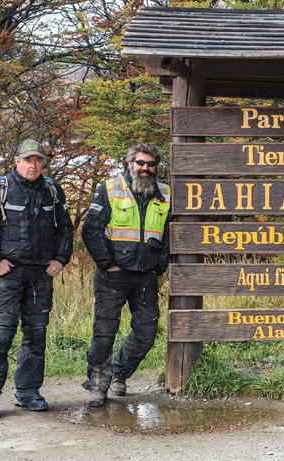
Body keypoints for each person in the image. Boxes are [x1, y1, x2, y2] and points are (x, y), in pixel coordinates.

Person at [0, 139, 73, 418]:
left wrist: (60, 259)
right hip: (9, 275)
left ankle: (27, 392)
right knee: (1, 334)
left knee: (36, 336)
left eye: (38, 160)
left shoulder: (52, 190)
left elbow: (65, 230)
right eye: (27, 160)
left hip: (40, 275)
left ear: (43, 163)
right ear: (16, 162)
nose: (33, 165)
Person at [81, 142, 171, 407]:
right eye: (140, 163)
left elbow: (170, 234)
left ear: (156, 167)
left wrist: (159, 266)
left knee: (147, 332)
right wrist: (107, 264)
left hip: (146, 276)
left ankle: (119, 374)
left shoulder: (165, 193)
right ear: (129, 163)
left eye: (150, 164)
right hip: (113, 275)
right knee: (104, 333)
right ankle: (98, 386)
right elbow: (91, 230)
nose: (145, 168)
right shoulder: (110, 189)